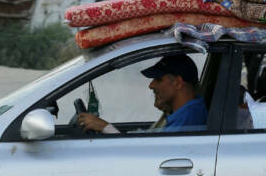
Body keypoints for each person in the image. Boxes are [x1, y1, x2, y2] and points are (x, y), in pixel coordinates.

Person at [76, 54, 207, 134]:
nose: (151, 85)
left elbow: (152, 156)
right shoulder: (185, 111)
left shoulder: (189, 117)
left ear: (178, 83)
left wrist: (105, 127)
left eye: (158, 79)